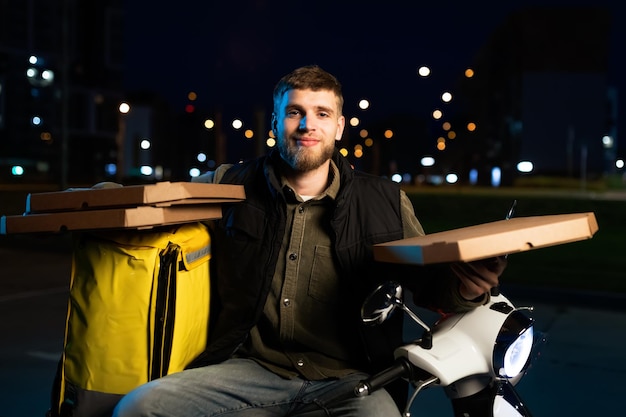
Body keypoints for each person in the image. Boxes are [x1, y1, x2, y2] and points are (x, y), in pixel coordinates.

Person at [113, 65, 505, 417]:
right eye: (294, 112)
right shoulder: (228, 185)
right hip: (248, 371)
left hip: (351, 380)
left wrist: (466, 289)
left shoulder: (384, 201)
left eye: (322, 114)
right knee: (140, 407)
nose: (307, 125)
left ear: (338, 127)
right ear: (275, 123)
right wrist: (94, 201)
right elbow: (157, 201)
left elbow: (431, 287)